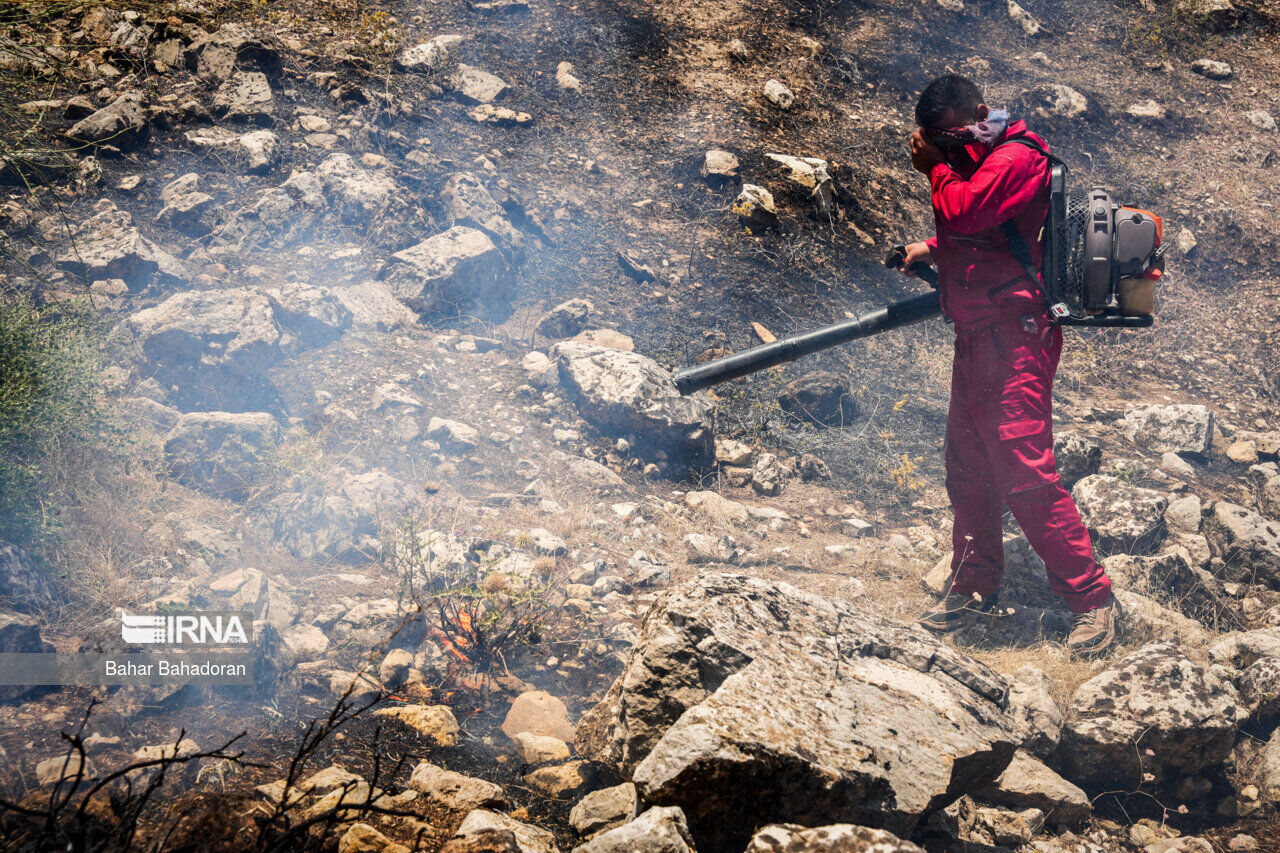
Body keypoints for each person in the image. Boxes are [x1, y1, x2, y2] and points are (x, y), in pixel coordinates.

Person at [896, 74, 1122, 655]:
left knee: (1024, 473)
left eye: (949, 138)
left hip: (1014, 340)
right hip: (977, 336)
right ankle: (975, 588)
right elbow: (986, 238)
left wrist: (937, 170)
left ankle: (1091, 600)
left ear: (973, 113)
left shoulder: (1017, 155)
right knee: (967, 468)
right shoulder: (983, 150)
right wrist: (931, 248)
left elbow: (968, 211)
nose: (947, 151)